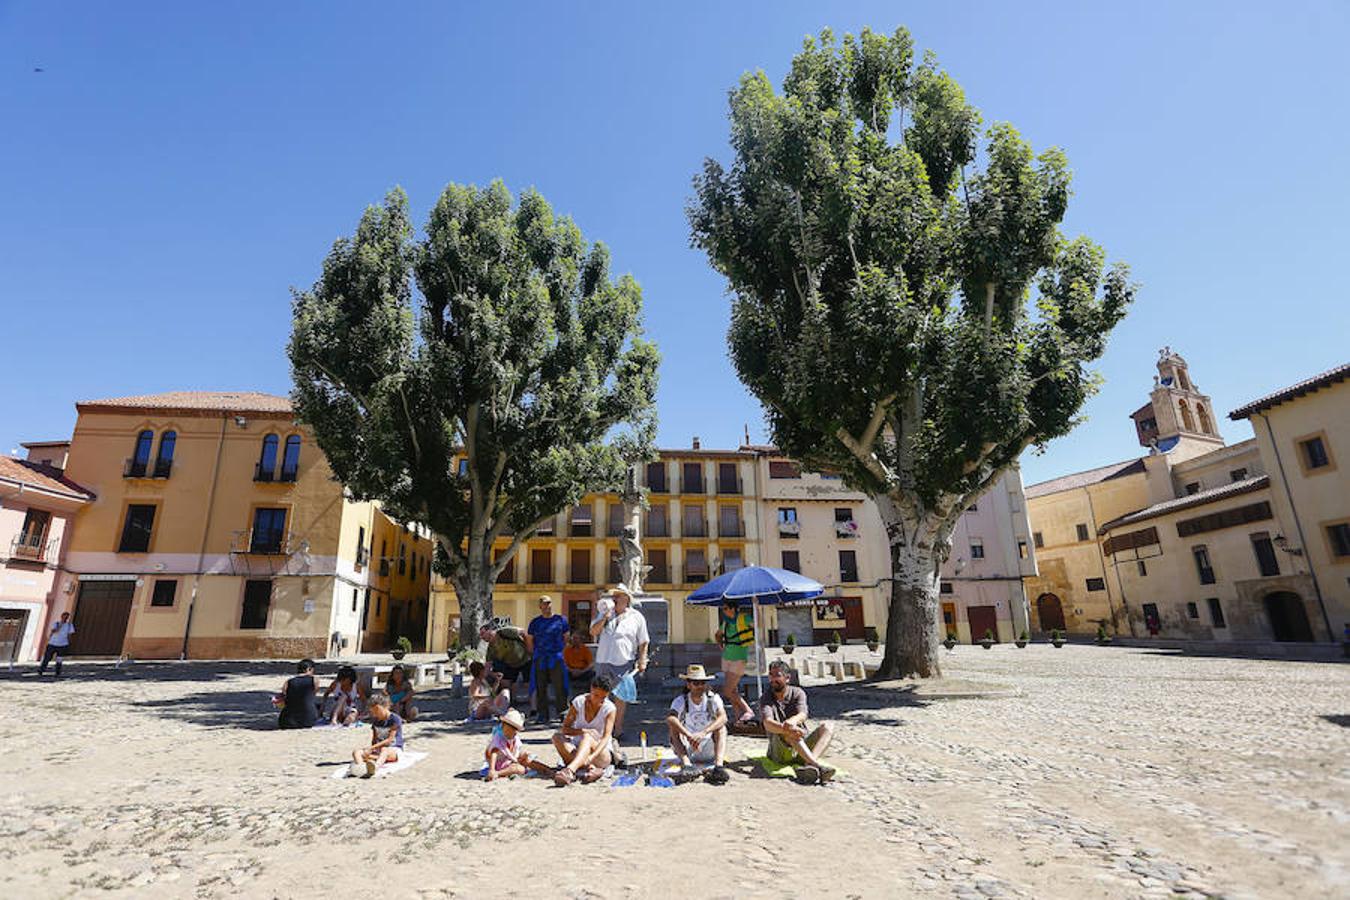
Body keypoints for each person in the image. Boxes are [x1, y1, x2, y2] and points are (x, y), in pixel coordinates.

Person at [760, 659, 834, 784]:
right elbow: (768, 723)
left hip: (801, 743)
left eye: (777, 675)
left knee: (828, 726)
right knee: (790, 732)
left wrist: (792, 722)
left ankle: (809, 763)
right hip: (779, 751)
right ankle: (818, 766)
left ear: (787, 678)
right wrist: (788, 728)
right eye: (771, 675)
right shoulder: (766, 697)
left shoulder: (797, 693)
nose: (773, 679)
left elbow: (803, 714)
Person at [590, 584, 648, 738]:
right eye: (614, 596)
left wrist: (642, 659)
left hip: (623, 661)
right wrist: (604, 618)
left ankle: (617, 729)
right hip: (603, 659)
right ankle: (601, 729)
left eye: (618, 596)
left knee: (620, 697)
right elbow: (593, 631)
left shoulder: (637, 617)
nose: (614, 598)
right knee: (600, 695)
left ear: (627, 599)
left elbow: (643, 641)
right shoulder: (604, 613)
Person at [666, 664, 730, 784]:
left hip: (709, 746)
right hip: (689, 748)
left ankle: (718, 767)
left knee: (721, 728)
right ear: (688, 685)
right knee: (673, 728)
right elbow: (671, 718)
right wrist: (689, 735)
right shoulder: (680, 700)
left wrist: (704, 732)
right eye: (696, 683)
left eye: (702, 683)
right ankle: (687, 764)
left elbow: (723, 717)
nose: (700, 686)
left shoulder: (713, 698)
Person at [552, 674, 618, 785]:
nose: (599, 701)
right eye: (596, 696)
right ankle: (590, 768)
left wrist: (592, 756)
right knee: (556, 737)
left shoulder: (610, 708)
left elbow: (606, 737)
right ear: (591, 690)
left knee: (588, 737)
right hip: (578, 750)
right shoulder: (578, 702)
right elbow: (565, 729)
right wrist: (582, 731)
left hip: (600, 753)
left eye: (603, 698)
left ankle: (570, 770)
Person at [526, 596, 570, 725]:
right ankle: (542, 714)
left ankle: (562, 712)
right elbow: (529, 639)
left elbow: (566, 637)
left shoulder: (561, 620)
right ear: (540, 606)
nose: (547, 606)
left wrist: (561, 650)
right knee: (541, 686)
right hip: (540, 657)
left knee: (560, 686)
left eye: (549, 603)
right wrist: (534, 652)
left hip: (556, 656)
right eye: (544, 604)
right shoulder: (535, 622)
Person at [716, 599, 757, 724]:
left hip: (740, 657)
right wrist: (720, 644)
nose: (724, 611)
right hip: (727, 656)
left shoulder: (744, 618)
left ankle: (747, 710)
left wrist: (758, 609)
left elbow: (757, 627)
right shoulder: (726, 622)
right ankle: (738, 718)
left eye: (725, 608)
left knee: (727, 691)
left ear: (733, 608)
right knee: (732, 690)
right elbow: (718, 634)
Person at [484, 709, 550, 781]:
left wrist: (522, 755)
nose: (513, 733)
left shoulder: (514, 738)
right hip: (500, 763)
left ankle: (546, 769)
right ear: (503, 726)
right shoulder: (498, 738)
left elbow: (516, 750)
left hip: (510, 759)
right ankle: (498, 773)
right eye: (510, 730)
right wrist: (492, 769)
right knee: (519, 769)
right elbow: (494, 753)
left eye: (515, 731)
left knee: (527, 759)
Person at [349, 691, 403, 778]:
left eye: (377, 710)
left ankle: (375, 768)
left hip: (393, 749)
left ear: (386, 706)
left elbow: (390, 740)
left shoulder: (395, 719)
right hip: (378, 750)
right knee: (357, 752)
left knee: (384, 750)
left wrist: (372, 748)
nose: (376, 714)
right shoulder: (376, 721)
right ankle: (361, 768)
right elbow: (374, 738)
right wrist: (370, 750)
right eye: (373, 712)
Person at [480, 620, 531, 702]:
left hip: (525, 659)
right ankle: (512, 701)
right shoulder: (490, 649)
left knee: (528, 683)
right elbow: (487, 665)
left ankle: (534, 703)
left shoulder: (505, 632)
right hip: (510, 664)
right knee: (505, 682)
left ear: (490, 630)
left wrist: (530, 649)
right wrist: (485, 678)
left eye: (483, 633)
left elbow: (524, 633)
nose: (481, 637)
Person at [277, 659, 322, 729]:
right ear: (309, 669)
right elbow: (313, 694)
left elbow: (283, 695)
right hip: (308, 720)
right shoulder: (315, 680)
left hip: (287, 721)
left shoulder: (288, 682)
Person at [39, 611, 75, 678]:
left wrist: (68, 643)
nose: (65, 618)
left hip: (63, 644)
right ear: (61, 616)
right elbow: (53, 631)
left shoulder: (70, 625)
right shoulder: (56, 623)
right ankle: (41, 670)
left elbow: (70, 635)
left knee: (59, 659)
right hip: (52, 643)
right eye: (64, 616)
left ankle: (57, 672)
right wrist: (60, 626)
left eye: (66, 617)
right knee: (47, 658)